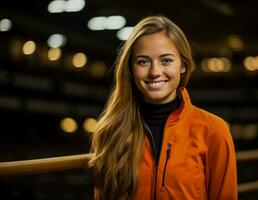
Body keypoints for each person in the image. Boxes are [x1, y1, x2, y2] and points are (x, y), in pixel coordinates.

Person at [89, 16, 238, 200]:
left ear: (183, 65)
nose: (154, 72)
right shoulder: (111, 131)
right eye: (143, 61)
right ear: (130, 68)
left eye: (166, 61)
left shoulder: (213, 130)